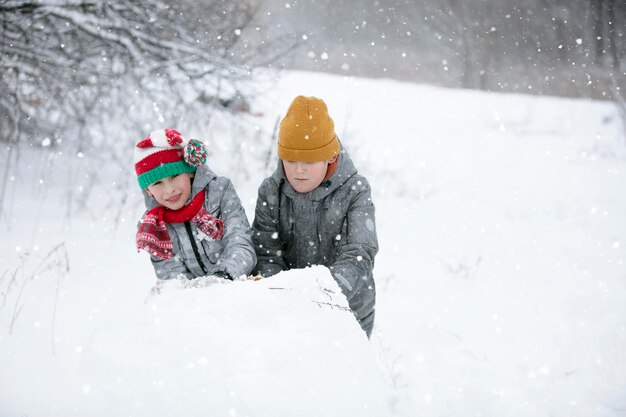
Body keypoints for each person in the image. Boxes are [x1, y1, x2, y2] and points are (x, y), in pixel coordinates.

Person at [252, 96, 378, 337]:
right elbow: (266, 252)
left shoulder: (356, 190)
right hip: (286, 310)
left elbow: (359, 255)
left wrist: (319, 296)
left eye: (309, 161)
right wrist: (282, 294)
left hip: (347, 311)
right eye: (291, 160)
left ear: (330, 157)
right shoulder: (271, 191)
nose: (299, 170)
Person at [135, 128, 255, 282]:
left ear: (190, 171)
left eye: (174, 176)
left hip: (235, 284)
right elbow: (170, 273)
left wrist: (222, 276)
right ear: (148, 190)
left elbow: (240, 244)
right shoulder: (154, 225)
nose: (170, 189)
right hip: (194, 300)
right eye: (158, 183)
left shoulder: (219, 193)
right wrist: (193, 294)